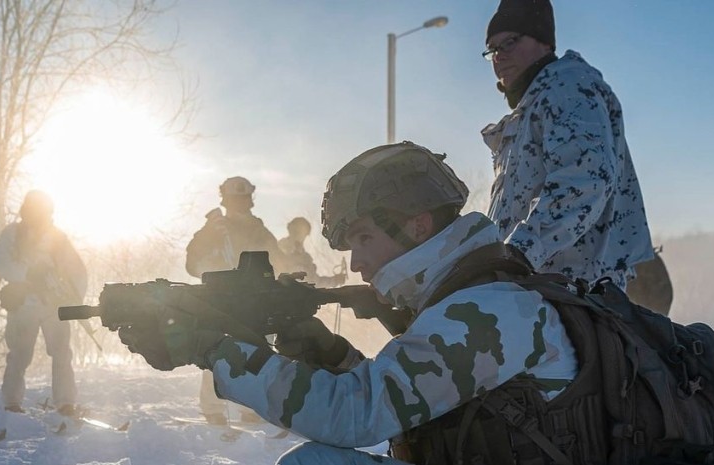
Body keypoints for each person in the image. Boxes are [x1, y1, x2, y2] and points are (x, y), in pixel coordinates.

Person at [121, 142, 581, 464]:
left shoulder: (486, 311)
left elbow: (358, 415)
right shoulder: (469, 296)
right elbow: (408, 394)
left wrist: (213, 351)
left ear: (418, 227)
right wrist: (334, 356)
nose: (356, 261)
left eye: (364, 238)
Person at [481, 0, 654, 290]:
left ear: (544, 43)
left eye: (509, 42)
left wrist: (517, 254)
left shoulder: (568, 88)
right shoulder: (528, 110)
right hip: (531, 290)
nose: (499, 57)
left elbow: (584, 181)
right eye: (493, 50)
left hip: (570, 295)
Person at [185, 176, 283, 425]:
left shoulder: (260, 231)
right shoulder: (213, 230)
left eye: (244, 199)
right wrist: (210, 246)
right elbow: (193, 265)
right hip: (220, 302)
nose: (240, 204)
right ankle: (214, 410)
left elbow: (278, 261)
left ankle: (251, 409)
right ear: (226, 200)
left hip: (255, 303)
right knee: (214, 350)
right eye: (235, 199)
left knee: (258, 352)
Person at [0, 190, 87, 416]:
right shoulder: (12, 234)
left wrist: (73, 299)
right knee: (19, 355)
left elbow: (77, 271)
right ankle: (12, 403)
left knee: (62, 353)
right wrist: (27, 273)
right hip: (23, 303)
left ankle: (65, 402)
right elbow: (0, 263)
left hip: (53, 304)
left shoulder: (58, 238)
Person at [278, 217, 346, 288]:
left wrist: (335, 280)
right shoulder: (277, 251)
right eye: (296, 230)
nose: (299, 235)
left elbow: (316, 282)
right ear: (290, 229)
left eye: (302, 232)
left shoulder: (306, 258)